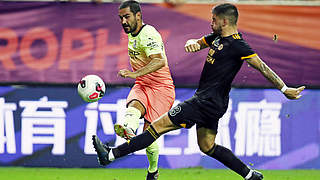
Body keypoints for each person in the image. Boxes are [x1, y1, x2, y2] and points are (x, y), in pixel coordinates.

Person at [93, 3, 305, 180]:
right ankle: (249, 175)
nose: (210, 23)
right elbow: (199, 42)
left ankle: (111, 154)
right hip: (214, 104)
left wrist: (284, 88)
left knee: (156, 127)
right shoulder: (216, 38)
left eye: (213, 20)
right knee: (207, 146)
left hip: (204, 102)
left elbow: (262, 67)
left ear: (224, 21)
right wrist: (192, 43)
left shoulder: (239, 46)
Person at [109, 1, 175, 180]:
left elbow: (159, 61)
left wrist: (133, 73)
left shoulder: (148, 34)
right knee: (133, 106)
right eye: (121, 18)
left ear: (138, 15)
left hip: (161, 89)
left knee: (149, 136)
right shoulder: (133, 33)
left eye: (127, 17)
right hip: (143, 84)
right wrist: (137, 76)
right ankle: (129, 128)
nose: (123, 21)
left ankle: (153, 171)